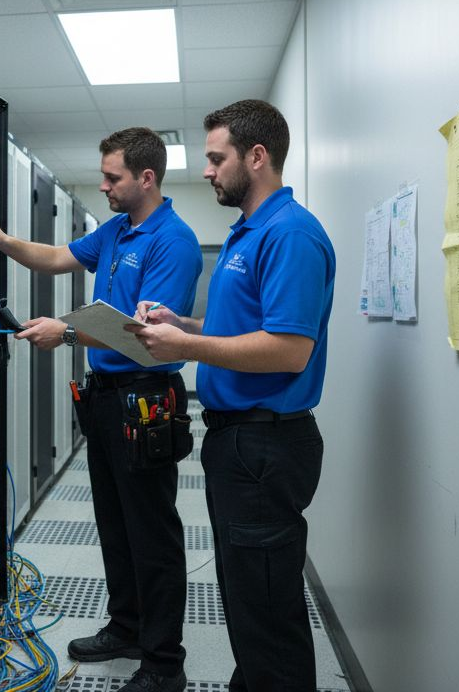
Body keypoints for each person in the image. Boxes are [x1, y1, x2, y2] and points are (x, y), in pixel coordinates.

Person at [0, 127, 201, 692]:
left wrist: (67, 334)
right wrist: (3, 243)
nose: (103, 186)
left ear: (146, 177)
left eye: (112, 177)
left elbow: (147, 335)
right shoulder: (118, 231)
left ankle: (164, 662)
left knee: (152, 534)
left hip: (145, 398)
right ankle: (126, 627)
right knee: (115, 524)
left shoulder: (174, 241)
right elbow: (55, 257)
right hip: (104, 398)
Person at [130, 100, 335, 691]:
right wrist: (183, 325)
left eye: (217, 159)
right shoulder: (248, 231)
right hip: (240, 443)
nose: (208, 171)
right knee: (249, 599)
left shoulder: (289, 233)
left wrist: (185, 350)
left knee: (268, 611)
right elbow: (244, 331)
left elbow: (288, 349)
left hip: (266, 446)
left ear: (257, 156)